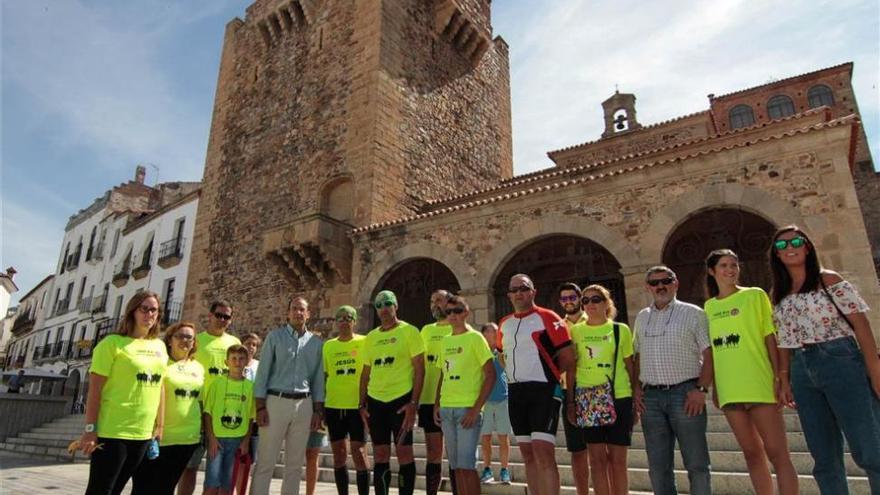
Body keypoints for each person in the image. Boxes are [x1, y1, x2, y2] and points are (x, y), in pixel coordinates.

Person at [770, 225, 880, 494]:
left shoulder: (828, 280)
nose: (789, 248)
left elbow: (861, 325)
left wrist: (875, 370)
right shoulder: (779, 292)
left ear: (807, 246)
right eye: (782, 245)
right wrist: (784, 377)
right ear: (776, 254)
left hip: (840, 359)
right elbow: (783, 338)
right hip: (801, 367)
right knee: (823, 455)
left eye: (795, 241)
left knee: (868, 447)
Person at [704, 248, 798, 495]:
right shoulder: (709, 307)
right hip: (729, 388)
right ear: (712, 271)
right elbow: (712, 350)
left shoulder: (755, 296)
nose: (730, 270)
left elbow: (770, 337)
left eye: (734, 265)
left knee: (778, 453)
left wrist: (780, 376)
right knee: (751, 454)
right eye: (724, 265)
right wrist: (714, 387)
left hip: (760, 382)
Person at [632, 266, 713, 495]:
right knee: (658, 467)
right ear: (648, 287)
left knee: (697, 463)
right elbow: (636, 355)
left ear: (675, 283)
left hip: (685, 393)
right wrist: (637, 388)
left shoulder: (694, 313)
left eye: (666, 281)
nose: (660, 286)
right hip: (651, 399)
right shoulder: (642, 317)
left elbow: (709, 354)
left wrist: (701, 389)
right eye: (655, 282)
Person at [78, 291, 168, 495]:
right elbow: (95, 389)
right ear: (132, 312)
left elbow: (160, 386)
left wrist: (159, 425)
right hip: (113, 431)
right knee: (101, 490)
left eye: (154, 310)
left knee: (118, 489)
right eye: (144, 309)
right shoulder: (112, 344)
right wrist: (90, 429)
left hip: (143, 433)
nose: (149, 314)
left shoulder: (160, 347)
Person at [499, 274, 574, 495]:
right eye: (514, 290)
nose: (519, 293)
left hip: (544, 389)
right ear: (509, 295)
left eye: (524, 288)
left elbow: (568, 358)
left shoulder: (548, 317)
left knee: (543, 453)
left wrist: (547, 375)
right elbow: (502, 355)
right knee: (527, 454)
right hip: (516, 391)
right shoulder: (505, 323)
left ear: (533, 291)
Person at [567, 284, 636, 495]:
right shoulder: (576, 331)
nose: (590, 304)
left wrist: (635, 400)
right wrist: (571, 402)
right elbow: (571, 369)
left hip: (619, 396)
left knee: (617, 460)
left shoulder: (620, 329)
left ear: (606, 303)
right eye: (585, 301)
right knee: (596, 461)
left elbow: (630, 366)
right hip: (587, 397)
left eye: (595, 299)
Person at [251, 296, 325, 495]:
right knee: (266, 460)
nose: (298, 312)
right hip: (276, 402)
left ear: (308, 314)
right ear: (288, 312)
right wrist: (260, 407)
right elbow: (263, 374)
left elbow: (318, 379)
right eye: (294, 309)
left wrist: (318, 411)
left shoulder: (316, 344)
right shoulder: (275, 337)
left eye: (302, 309)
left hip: (304, 405)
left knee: (295, 464)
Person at [359, 290, 425, 495]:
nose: (384, 308)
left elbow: (420, 369)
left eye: (388, 303)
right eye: (379, 305)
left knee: (404, 453)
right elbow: (365, 373)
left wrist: (414, 404)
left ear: (396, 306)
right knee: (380, 454)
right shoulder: (371, 337)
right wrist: (361, 404)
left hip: (401, 401)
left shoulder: (410, 331)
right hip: (375, 402)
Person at [132, 322, 205, 495]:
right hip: (157, 438)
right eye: (179, 336)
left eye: (189, 337)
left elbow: (199, 402)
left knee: (166, 488)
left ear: (194, 343)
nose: (185, 340)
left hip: (187, 438)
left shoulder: (198, 368)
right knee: (143, 488)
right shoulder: (160, 363)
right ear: (170, 340)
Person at [433, 295, 495, 495]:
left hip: (467, 409)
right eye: (448, 312)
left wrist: (476, 409)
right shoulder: (445, 341)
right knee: (456, 467)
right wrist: (436, 404)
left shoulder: (476, 338)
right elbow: (443, 373)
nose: (452, 315)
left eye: (457, 311)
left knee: (467, 466)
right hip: (447, 409)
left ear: (466, 313)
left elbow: (490, 375)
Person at [181, 300, 241, 495]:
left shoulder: (235, 343)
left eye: (227, 317)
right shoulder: (197, 342)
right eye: (219, 315)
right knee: (190, 466)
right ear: (210, 315)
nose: (222, 319)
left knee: (219, 470)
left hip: (223, 412)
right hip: (197, 410)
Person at [323, 305, 370, 495]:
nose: (344, 321)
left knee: (359, 454)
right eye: (340, 318)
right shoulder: (329, 346)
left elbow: (370, 373)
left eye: (348, 317)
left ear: (354, 321)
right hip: (333, 406)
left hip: (356, 407)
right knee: (339, 455)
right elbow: (325, 376)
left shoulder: (365, 342)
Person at [203, 345, 256, 495]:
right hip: (217, 440)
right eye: (233, 358)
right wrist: (211, 437)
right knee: (211, 484)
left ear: (246, 361)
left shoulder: (250, 387)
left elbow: (251, 417)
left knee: (227, 485)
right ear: (227, 362)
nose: (237, 362)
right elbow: (208, 413)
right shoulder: (217, 384)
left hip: (237, 440)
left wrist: (246, 441)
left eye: (241, 359)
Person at [557, 282, 590, 495]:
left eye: (572, 297)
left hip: (595, 387)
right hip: (569, 390)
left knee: (599, 449)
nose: (569, 302)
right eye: (564, 299)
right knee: (577, 450)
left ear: (580, 298)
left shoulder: (596, 320)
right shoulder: (558, 327)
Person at [419, 290, 452, 495]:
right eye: (432, 301)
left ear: (449, 302)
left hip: (453, 398)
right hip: (428, 398)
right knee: (433, 452)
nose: (435, 304)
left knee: (456, 453)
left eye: (439, 300)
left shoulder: (457, 328)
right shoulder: (425, 330)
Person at [478, 323, 512, 485]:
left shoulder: (503, 351)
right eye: (488, 331)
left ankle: (505, 470)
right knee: (485, 437)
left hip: (502, 398)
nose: (491, 333)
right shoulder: (478, 351)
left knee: (503, 436)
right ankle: (487, 469)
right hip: (484, 400)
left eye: (494, 330)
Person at [234, 332, 262, 495]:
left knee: (247, 460)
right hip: (235, 416)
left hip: (253, 418)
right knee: (233, 458)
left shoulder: (260, 366)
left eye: (254, 345)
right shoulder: (235, 364)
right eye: (248, 343)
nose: (251, 347)